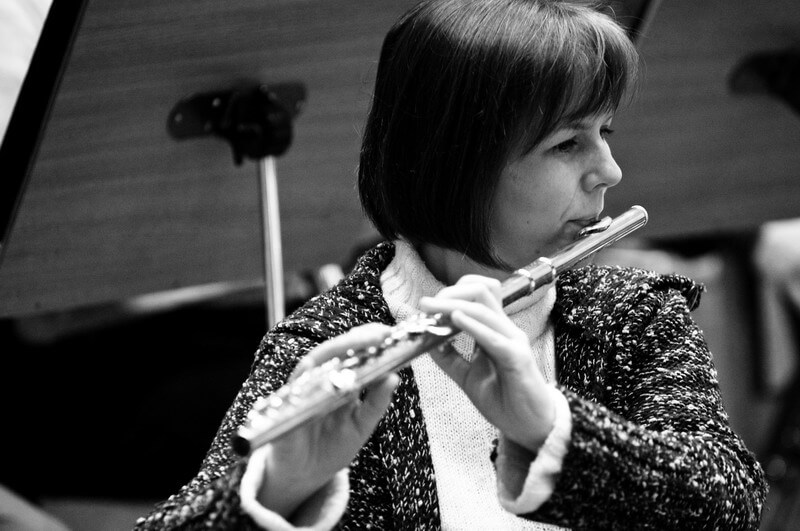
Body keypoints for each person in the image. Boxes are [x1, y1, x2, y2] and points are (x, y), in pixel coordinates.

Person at [135, 0, 768, 529]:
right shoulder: (327, 343)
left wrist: (551, 428)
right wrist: (278, 490)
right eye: (568, 143)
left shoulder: (632, 317)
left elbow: (730, 504)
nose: (609, 171)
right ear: (457, 163)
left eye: (606, 133)